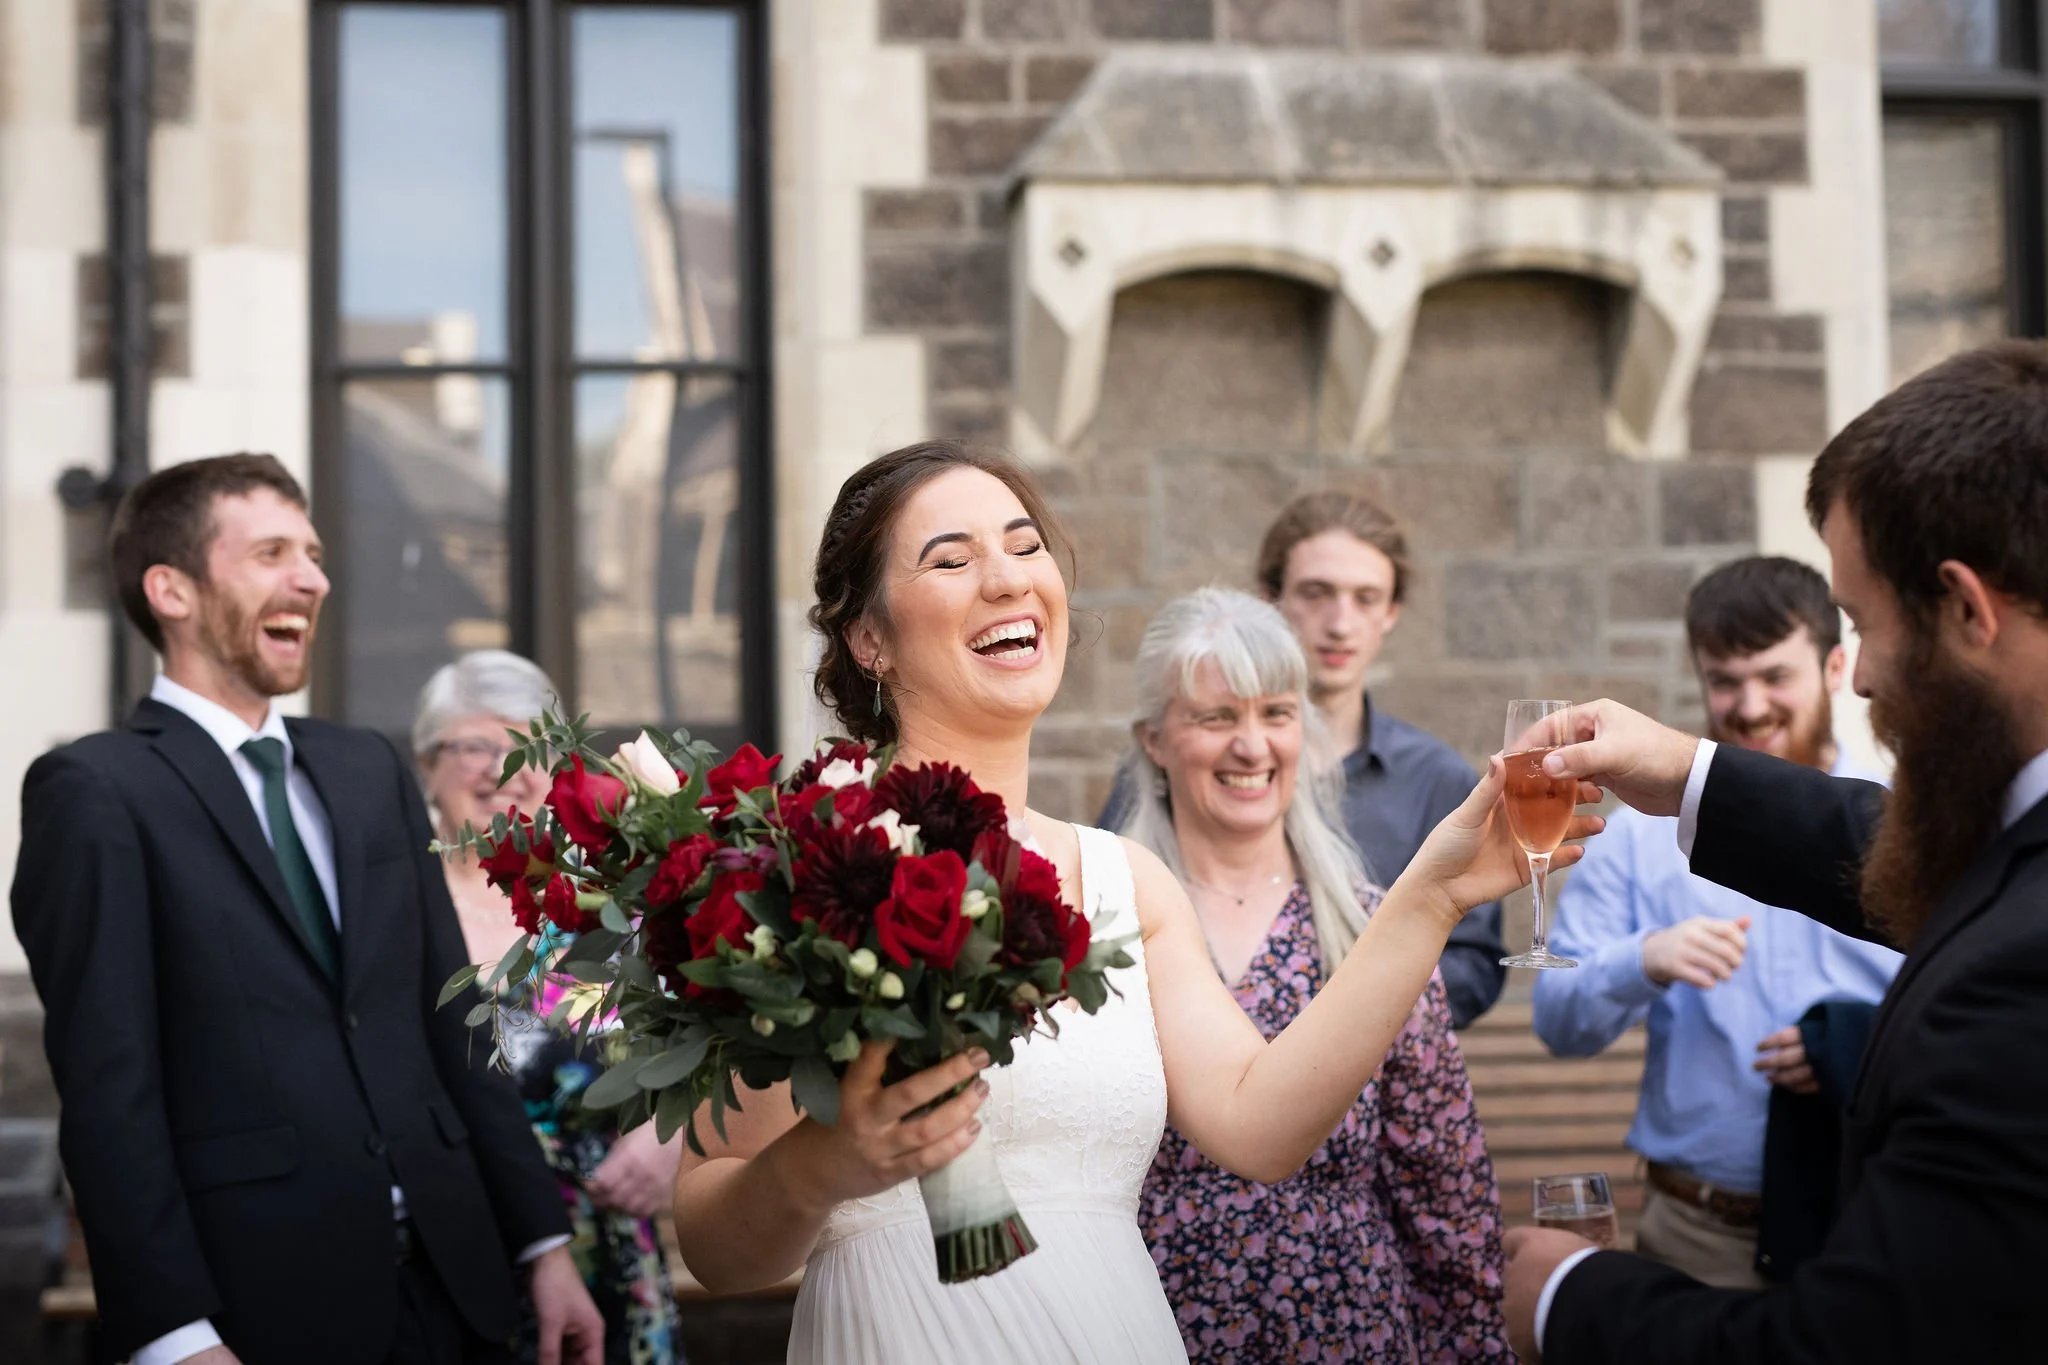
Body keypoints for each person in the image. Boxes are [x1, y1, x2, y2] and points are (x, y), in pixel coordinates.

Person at [671, 441, 1599, 1364]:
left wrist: (1433, 894)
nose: (1007, 580)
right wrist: (819, 1166)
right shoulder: (804, 871)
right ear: (867, 637)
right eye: (950, 559)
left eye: (1025, 546)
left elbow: (1262, 1124)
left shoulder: (1126, 880)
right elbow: (717, 1247)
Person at [1501, 340, 2048, 1363]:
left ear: (1967, 610)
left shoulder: (2019, 968)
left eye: (1863, 625)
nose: (1868, 680)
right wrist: (1686, 774)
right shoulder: (2003, 836)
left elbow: (1847, 1344)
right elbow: (1908, 856)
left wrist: (1563, 1296)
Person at [9, 455, 603, 1365]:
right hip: (256, 1312)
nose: (314, 578)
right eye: (272, 552)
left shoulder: (367, 768)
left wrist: (544, 1244)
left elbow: (455, 1024)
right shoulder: (94, 790)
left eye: (315, 554)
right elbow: (108, 1089)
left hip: (461, 1292)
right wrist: (174, 1335)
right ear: (170, 588)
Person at [1121, 587, 1508, 1361]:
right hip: (1143, 1320)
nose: (1252, 745)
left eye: (1276, 713)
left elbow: (1443, 1184)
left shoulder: (1372, 927)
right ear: (1156, 740)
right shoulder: (1105, 921)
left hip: (1342, 1325)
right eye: (1217, 716)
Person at [1531, 557, 1901, 1288]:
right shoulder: (1637, 833)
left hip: (1868, 1217)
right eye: (1725, 680)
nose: (1750, 704)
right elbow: (1558, 1022)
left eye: (1774, 676)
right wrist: (1644, 957)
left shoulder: (1907, 822)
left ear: (1836, 666)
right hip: (1697, 1230)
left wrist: (1853, 1045)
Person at [414, 651, 685, 1365]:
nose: (502, 770)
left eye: (522, 746)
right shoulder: (402, 911)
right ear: (427, 763)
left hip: (612, 1250)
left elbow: (694, 1044)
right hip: (451, 1251)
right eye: (474, 745)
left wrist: (669, 1137)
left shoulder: (606, 904)